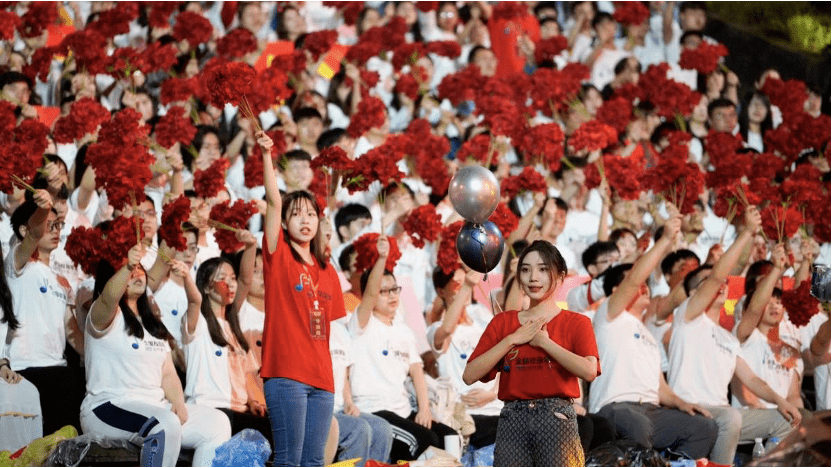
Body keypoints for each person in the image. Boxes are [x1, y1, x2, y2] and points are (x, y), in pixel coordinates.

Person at [667, 208, 802, 466]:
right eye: (706, 283)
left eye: (720, 283)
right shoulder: (688, 316)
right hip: (688, 409)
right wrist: (747, 233)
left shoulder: (728, 338)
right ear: (697, 293)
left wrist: (780, 401)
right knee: (731, 417)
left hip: (722, 413)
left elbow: (751, 378)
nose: (719, 284)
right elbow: (718, 274)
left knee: (787, 420)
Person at [81, 244, 230, 467]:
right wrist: (128, 265)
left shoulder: (152, 325)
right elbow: (109, 297)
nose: (137, 272)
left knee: (218, 423)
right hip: (107, 407)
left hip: (156, 407)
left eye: (141, 268)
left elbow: (168, 373)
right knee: (164, 424)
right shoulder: (102, 314)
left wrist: (179, 403)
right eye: (130, 268)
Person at [589, 215, 719, 459]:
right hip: (616, 408)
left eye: (647, 284)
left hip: (652, 410)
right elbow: (635, 277)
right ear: (617, 291)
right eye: (637, 284)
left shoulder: (649, 336)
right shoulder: (609, 315)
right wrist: (666, 240)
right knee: (636, 424)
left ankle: (669, 465)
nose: (644, 286)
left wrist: (681, 403)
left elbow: (661, 389)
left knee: (704, 427)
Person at [463, 240, 600, 467]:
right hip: (512, 419)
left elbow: (589, 371)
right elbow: (469, 375)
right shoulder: (503, 322)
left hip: (557, 418)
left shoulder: (577, 322)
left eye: (543, 269)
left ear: (560, 276)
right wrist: (511, 339)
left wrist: (545, 343)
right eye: (525, 269)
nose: (533, 277)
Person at [258, 131, 346, 466]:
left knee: (314, 463)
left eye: (310, 214)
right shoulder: (277, 255)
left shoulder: (327, 270)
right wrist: (268, 155)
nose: (305, 220)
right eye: (297, 214)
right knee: (289, 461)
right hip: (286, 375)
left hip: (323, 379)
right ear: (285, 222)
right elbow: (273, 201)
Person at [348, 236, 458, 462]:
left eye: (395, 290)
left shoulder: (403, 330)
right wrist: (381, 258)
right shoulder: (361, 323)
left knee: (449, 436)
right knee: (423, 440)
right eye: (384, 291)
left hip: (403, 410)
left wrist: (424, 409)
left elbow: (417, 372)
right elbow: (368, 295)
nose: (392, 296)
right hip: (374, 411)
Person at [182, 229, 273, 445]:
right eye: (222, 279)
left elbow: (245, 279)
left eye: (232, 279)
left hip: (238, 410)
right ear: (205, 286)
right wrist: (186, 276)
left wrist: (252, 400)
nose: (230, 284)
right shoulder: (198, 323)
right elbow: (195, 300)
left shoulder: (234, 326)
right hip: (210, 409)